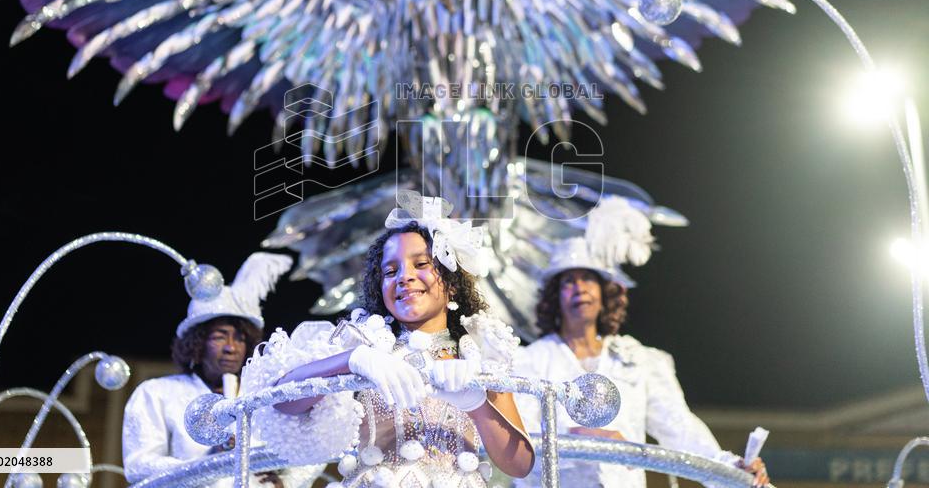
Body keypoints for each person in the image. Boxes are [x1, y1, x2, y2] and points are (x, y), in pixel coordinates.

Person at [241, 191, 536, 487]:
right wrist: (352, 360)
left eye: (421, 264)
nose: (404, 277)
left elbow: (520, 465)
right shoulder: (365, 343)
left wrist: (477, 403)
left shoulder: (481, 352)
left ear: (452, 283)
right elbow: (283, 402)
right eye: (391, 271)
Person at [513, 197, 769, 488]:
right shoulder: (530, 362)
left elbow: (678, 427)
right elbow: (517, 444)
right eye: (568, 281)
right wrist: (585, 439)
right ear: (554, 296)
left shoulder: (639, 360)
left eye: (588, 278)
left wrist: (731, 469)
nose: (579, 288)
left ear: (605, 293)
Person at [122, 251, 320, 488]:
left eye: (240, 338)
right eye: (219, 336)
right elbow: (138, 466)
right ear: (197, 342)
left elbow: (311, 448)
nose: (231, 347)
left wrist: (287, 482)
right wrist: (211, 463)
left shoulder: (265, 395)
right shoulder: (157, 393)